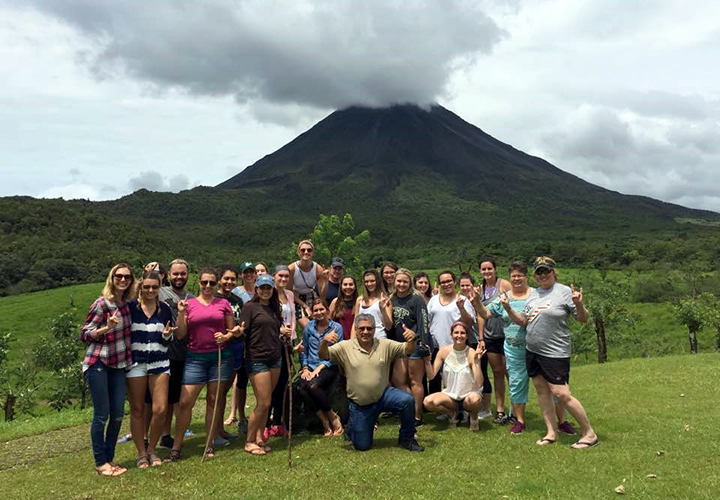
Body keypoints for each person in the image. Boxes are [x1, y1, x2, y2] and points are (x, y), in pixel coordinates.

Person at [503, 256, 599, 449]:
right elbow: (523, 321)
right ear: (535, 275)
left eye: (546, 271)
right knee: (541, 391)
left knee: (561, 393)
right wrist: (508, 308)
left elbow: (583, 319)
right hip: (533, 351)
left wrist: (579, 304)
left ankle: (589, 433)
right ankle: (551, 432)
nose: (543, 275)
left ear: (554, 272)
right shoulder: (534, 294)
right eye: (539, 272)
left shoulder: (564, 292)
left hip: (555, 352)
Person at [319, 313, 424, 452]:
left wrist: (412, 339)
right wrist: (325, 342)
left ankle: (407, 438)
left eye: (369, 328)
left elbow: (407, 349)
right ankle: (352, 428)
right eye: (361, 329)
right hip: (361, 405)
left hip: (383, 395)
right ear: (356, 330)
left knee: (407, 400)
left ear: (374, 330)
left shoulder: (384, 344)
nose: (365, 332)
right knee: (362, 446)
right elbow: (323, 355)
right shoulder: (345, 347)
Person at [166, 268, 241, 461]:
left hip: (219, 357)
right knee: (185, 402)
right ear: (198, 283)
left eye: (212, 283)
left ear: (216, 285)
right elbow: (181, 334)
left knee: (213, 401)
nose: (208, 286)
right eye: (204, 282)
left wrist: (226, 335)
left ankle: (209, 444)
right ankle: (176, 446)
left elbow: (233, 331)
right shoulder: (189, 304)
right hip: (195, 358)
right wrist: (181, 314)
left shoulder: (223, 303)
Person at [80, 263, 135, 476]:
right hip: (99, 363)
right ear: (111, 278)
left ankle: (109, 459)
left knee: (118, 414)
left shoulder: (126, 304)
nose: (123, 280)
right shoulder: (102, 304)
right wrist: (106, 328)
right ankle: (100, 461)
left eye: (127, 277)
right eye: (118, 276)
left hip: (119, 364)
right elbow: (84, 334)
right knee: (102, 414)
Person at [473, 262, 533, 434]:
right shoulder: (497, 294)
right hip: (511, 345)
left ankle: (559, 419)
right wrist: (476, 300)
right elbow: (484, 313)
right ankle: (518, 418)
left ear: (526, 276)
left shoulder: (533, 295)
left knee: (544, 384)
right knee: (515, 381)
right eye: (514, 275)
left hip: (536, 346)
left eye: (519, 275)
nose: (516, 279)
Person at [238, 274, 291, 456]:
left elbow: (272, 329)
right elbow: (243, 331)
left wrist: (282, 332)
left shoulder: (274, 308)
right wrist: (236, 333)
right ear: (257, 289)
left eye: (269, 288)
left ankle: (260, 438)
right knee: (263, 402)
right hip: (256, 358)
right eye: (262, 288)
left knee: (267, 402)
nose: (266, 291)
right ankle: (250, 441)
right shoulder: (250, 307)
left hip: (275, 357)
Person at [127, 270, 174, 467]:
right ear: (140, 287)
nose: (150, 290)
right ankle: (141, 454)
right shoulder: (130, 308)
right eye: (146, 286)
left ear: (160, 288)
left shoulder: (165, 309)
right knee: (137, 409)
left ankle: (153, 449)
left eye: (155, 287)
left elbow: (168, 338)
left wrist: (166, 335)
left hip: (160, 362)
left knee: (160, 409)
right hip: (136, 363)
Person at [158, 259, 195, 449]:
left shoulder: (192, 297)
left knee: (181, 397)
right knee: (167, 398)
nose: (179, 277)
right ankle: (164, 435)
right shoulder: (161, 292)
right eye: (176, 273)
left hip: (186, 353)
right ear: (169, 275)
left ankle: (178, 432)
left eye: (183, 273)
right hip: (165, 352)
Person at [387, 268, 431, 425]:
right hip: (399, 347)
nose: (401, 284)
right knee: (398, 380)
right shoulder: (391, 299)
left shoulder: (416, 298)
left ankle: (417, 416)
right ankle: (409, 408)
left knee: (415, 381)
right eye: (399, 281)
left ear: (410, 283)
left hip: (416, 345)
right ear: (394, 281)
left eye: (405, 281)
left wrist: (417, 336)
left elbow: (424, 321)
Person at [426, 271, 476, 407]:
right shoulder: (434, 300)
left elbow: (469, 323)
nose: (446, 284)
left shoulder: (462, 300)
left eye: (449, 281)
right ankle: (442, 406)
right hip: (436, 345)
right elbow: (428, 320)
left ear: (454, 282)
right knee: (437, 378)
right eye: (443, 282)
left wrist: (461, 309)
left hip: (455, 347)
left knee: (457, 379)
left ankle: (463, 407)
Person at [423, 321, 484, 430]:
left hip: (467, 397)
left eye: (462, 333)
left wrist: (477, 363)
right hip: (450, 397)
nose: (459, 336)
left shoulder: (471, 353)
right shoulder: (443, 351)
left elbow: (479, 384)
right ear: (451, 335)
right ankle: (451, 413)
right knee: (428, 402)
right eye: (456, 333)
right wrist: (427, 362)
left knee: (475, 399)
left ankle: (473, 418)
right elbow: (431, 376)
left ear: (466, 336)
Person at [473, 256, 511, 424]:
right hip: (491, 336)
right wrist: (481, 337)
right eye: (483, 269)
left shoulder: (503, 285)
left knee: (511, 373)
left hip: (508, 335)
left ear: (495, 269)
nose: (487, 271)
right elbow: (480, 315)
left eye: (489, 268)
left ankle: (516, 410)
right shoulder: (479, 289)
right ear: (480, 271)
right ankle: (500, 410)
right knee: (497, 373)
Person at [297, 299, 344, 436]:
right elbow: (304, 350)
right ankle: (323, 420)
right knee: (301, 387)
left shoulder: (336, 328)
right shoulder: (309, 328)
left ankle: (332, 417)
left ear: (327, 311)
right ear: (312, 313)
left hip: (328, 366)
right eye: (315, 310)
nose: (318, 312)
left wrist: (320, 367)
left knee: (313, 386)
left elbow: (337, 352)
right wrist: (305, 368)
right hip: (310, 367)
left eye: (321, 309)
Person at [263, 265, 297, 440]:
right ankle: (265, 423)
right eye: (280, 276)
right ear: (274, 277)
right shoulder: (269, 294)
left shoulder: (290, 295)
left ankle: (277, 421)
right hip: (272, 343)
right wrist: (278, 330)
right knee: (270, 385)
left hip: (287, 343)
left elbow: (292, 318)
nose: (283, 279)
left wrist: (292, 339)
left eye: (286, 276)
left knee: (283, 383)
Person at [214, 265, 244, 445]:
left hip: (236, 347)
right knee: (217, 390)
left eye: (233, 279)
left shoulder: (237, 300)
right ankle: (214, 432)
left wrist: (239, 330)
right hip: (219, 348)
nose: (229, 282)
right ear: (219, 279)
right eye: (226, 278)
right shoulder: (213, 298)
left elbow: (240, 323)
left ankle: (220, 429)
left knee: (224, 390)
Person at [458, 273, 492, 419]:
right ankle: (467, 406)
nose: (465, 288)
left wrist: (480, 338)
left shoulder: (477, 299)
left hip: (477, 341)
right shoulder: (461, 299)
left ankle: (486, 408)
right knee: (467, 374)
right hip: (464, 341)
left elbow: (480, 318)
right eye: (462, 285)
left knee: (482, 372)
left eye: (468, 285)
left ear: (473, 285)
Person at [288, 240, 327, 328]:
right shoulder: (292, 269)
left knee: (317, 324)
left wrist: (325, 280)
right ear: (298, 252)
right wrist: (304, 306)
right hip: (296, 297)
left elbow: (322, 295)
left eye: (309, 250)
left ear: (312, 252)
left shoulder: (318, 269)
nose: (306, 252)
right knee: (307, 326)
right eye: (303, 250)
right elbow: (289, 291)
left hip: (311, 296)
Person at [351, 270, 392, 340]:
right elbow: (355, 322)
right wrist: (352, 340)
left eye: (372, 281)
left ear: (377, 281)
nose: (369, 284)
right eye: (366, 282)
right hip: (362, 339)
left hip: (379, 338)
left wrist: (383, 310)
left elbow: (388, 326)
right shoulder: (360, 300)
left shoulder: (385, 300)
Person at [329, 275, 358, 340]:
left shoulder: (359, 302)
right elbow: (328, 321)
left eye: (351, 284)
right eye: (345, 284)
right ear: (341, 287)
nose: (348, 287)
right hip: (338, 341)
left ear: (355, 286)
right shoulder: (335, 302)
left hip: (355, 340)